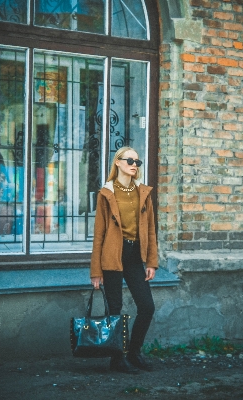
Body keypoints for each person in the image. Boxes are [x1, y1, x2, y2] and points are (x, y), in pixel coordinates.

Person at [90, 146, 158, 374]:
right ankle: (117, 359)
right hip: (112, 256)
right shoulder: (106, 194)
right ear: (117, 162)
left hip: (134, 256)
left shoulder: (143, 192)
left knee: (147, 306)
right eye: (129, 160)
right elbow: (99, 234)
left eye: (137, 162)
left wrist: (151, 262)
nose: (134, 164)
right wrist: (95, 271)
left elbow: (150, 230)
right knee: (115, 309)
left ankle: (134, 352)